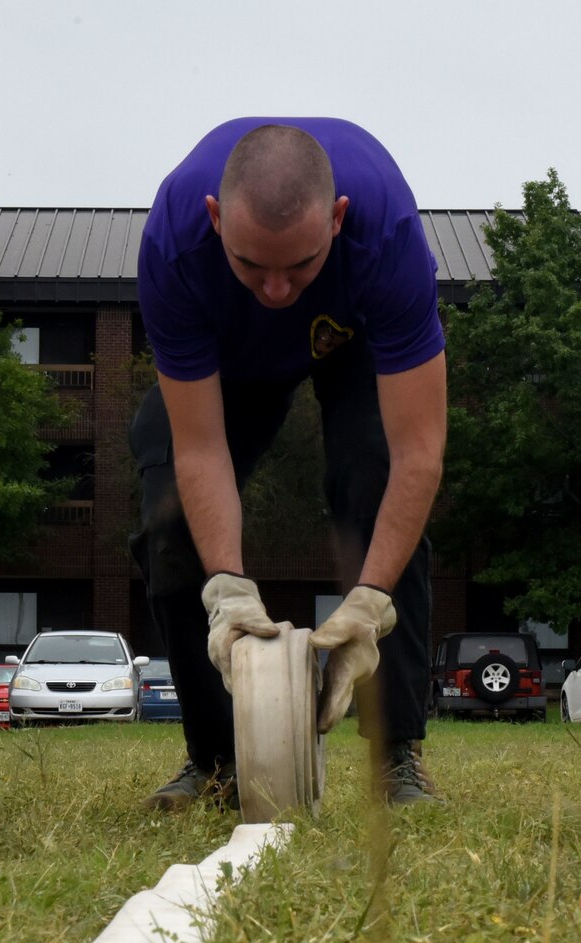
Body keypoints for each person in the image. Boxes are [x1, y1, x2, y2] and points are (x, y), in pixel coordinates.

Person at [131, 118, 447, 809]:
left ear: (337, 220)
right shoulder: (173, 247)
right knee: (169, 519)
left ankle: (396, 758)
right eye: (252, 264)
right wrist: (227, 590)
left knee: (374, 473)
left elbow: (420, 451)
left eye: (299, 265)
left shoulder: (386, 234)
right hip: (233, 356)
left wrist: (369, 607)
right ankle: (215, 761)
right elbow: (202, 446)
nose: (277, 289)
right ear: (216, 220)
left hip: (354, 342)